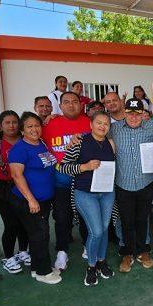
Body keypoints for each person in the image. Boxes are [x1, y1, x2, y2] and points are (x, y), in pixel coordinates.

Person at [56, 111, 117, 286]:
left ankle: (101, 261)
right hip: (85, 193)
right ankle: (91, 266)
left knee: (104, 229)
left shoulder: (110, 143)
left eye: (106, 124)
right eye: (99, 123)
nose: (102, 126)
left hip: (107, 192)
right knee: (96, 231)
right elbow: (62, 167)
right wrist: (85, 167)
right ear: (91, 124)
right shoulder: (80, 142)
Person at [8, 112, 62, 285]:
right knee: (40, 234)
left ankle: (36, 268)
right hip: (28, 201)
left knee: (38, 234)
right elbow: (17, 176)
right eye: (29, 126)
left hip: (44, 200)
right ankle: (43, 272)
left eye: (37, 125)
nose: (34, 129)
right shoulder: (20, 148)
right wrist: (31, 199)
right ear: (22, 130)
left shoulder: (41, 143)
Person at [41, 91, 91, 270]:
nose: (71, 105)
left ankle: (88, 245)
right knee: (62, 217)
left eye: (75, 101)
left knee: (86, 216)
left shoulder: (89, 122)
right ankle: (62, 251)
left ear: (81, 104)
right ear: (60, 106)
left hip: (84, 180)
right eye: (67, 102)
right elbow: (40, 146)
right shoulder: (49, 124)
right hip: (60, 181)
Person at [110, 98, 153, 272]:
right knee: (126, 220)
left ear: (143, 114)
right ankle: (128, 252)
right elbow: (96, 134)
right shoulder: (114, 129)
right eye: (130, 113)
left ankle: (143, 250)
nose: (133, 117)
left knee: (142, 218)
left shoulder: (152, 127)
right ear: (124, 113)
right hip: (123, 183)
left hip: (145, 183)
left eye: (137, 114)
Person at [0, 110, 29, 274]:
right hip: (3, 187)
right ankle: (9, 257)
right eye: (7, 123)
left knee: (24, 221)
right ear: (0, 125)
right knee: (11, 224)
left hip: (24, 186)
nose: (11, 126)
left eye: (14, 122)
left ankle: (23, 251)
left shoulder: (26, 140)